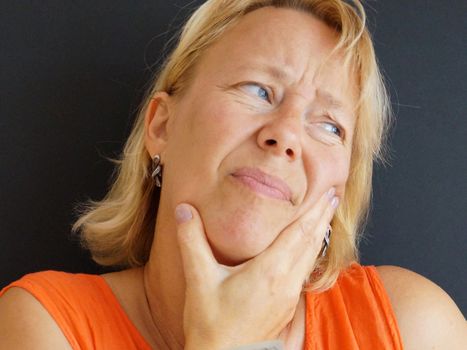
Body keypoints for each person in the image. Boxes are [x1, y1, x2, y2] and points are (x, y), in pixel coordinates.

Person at [0, 0, 466, 349]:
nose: (285, 136)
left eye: (329, 125)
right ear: (162, 126)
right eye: (259, 90)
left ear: (340, 188)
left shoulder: (414, 327)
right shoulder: (44, 325)